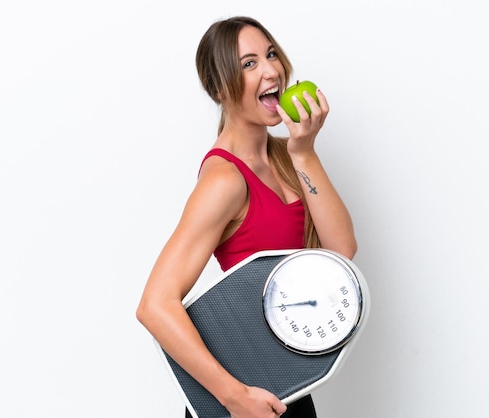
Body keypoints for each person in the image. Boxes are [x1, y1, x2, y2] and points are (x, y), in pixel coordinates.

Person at [136, 16, 357, 418]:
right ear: (220, 88)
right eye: (249, 64)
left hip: (288, 381)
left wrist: (304, 151)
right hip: (242, 395)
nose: (272, 69)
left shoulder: (286, 157)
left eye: (271, 54)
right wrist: (233, 396)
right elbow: (154, 305)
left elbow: (340, 253)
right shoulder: (224, 180)